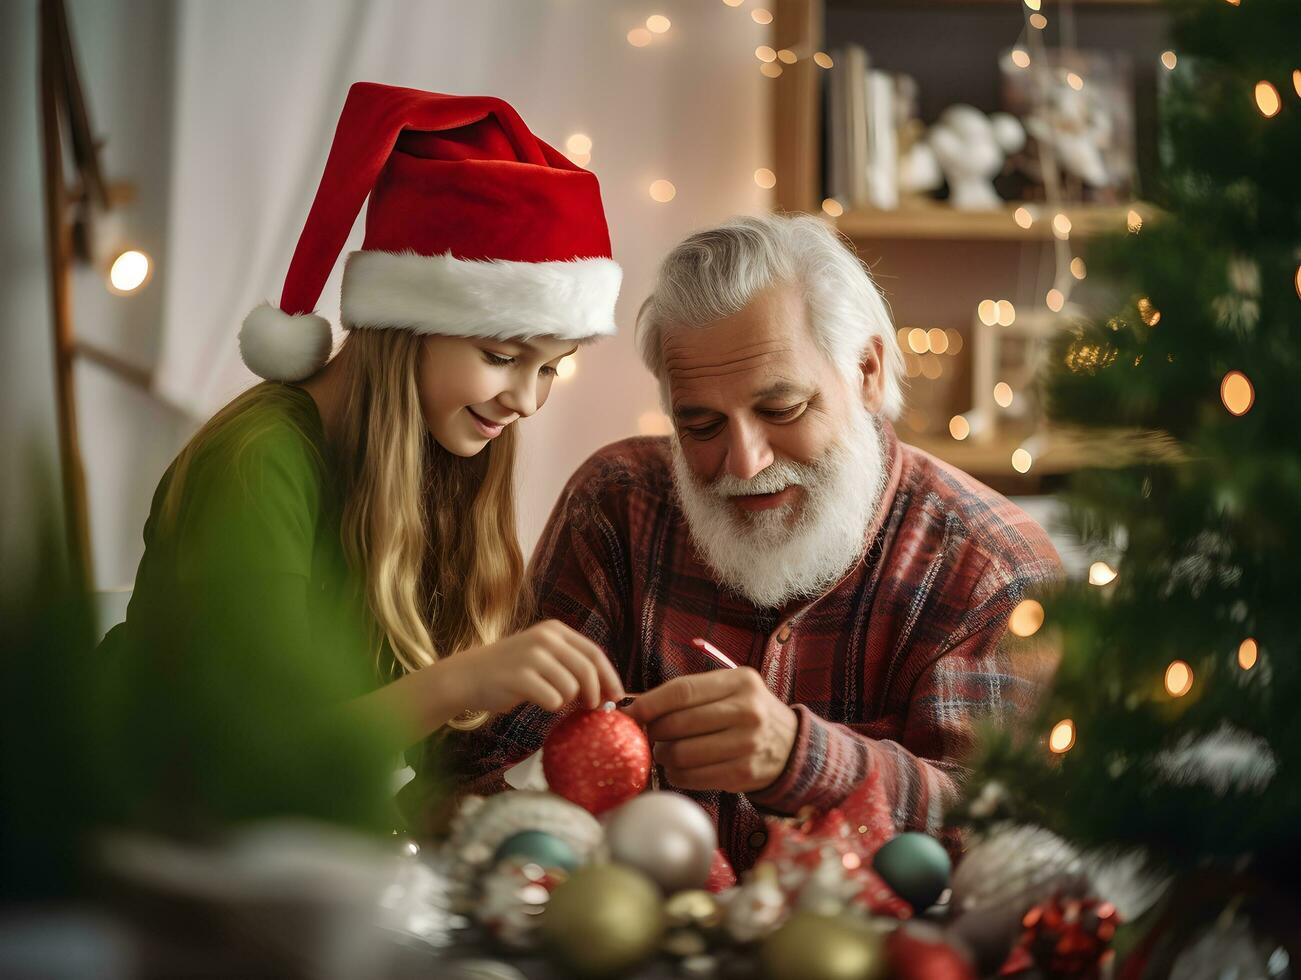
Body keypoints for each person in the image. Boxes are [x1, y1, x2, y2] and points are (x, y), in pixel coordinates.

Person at [445, 213, 1061, 870]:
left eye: (781, 409)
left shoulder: (992, 568)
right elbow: (483, 770)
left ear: (867, 371)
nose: (743, 463)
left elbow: (1014, 836)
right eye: (702, 425)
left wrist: (804, 760)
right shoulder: (617, 504)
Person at [99, 82, 626, 826]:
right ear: (405, 325)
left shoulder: (444, 453)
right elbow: (250, 766)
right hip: (150, 839)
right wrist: (457, 683)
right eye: (502, 355)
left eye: (551, 367)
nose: (527, 400)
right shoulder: (258, 463)